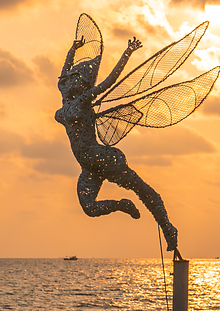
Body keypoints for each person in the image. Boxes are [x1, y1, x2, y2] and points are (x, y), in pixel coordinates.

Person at [54, 35, 179, 251]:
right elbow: (62, 74)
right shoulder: (67, 102)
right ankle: (121, 205)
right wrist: (72, 49)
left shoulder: (84, 101)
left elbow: (109, 81)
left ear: (81, 83)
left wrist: (127, 53)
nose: (69, 80)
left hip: (103, 159)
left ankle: (168, 228)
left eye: (75, 77)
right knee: (89, 207)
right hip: (88, 169)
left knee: (142, 189)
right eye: (70, 78)